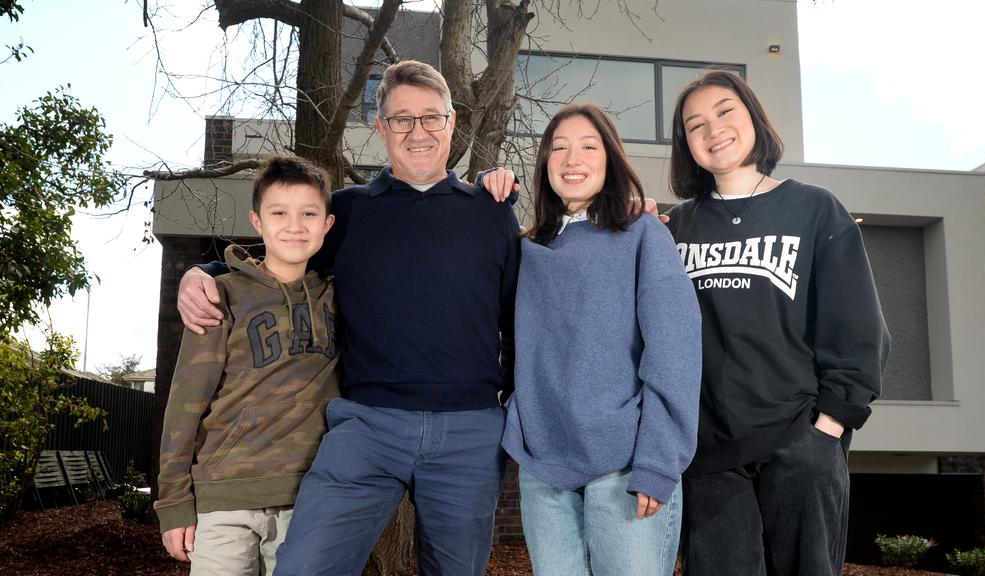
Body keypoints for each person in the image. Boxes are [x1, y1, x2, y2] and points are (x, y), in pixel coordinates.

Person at [175, 60, 520, 576]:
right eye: (402, 119)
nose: (418, 131)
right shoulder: (348, 212)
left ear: (453, 124)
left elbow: (520, 319)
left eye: (432, 117)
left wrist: (513, 408)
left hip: (468, 431)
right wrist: (200, 272)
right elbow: (278, 257)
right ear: (381, 128)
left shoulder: (490, 212)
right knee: (305, 567)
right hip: (367, 427)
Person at [663, 70, 892, 575]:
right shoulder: (675, 226)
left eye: (725, 111)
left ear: (752, 117)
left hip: (800, 443)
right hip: (709, 455)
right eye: (694, 124)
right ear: (686, 144)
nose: (712, 129)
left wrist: (827, 427)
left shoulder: (815, 210)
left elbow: (859, 328)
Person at [500, 103, 702, 576]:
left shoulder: (643, 234)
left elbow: (675, 352)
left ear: (610, 159)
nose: (573, 159)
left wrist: (659, 460)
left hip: (626, 463)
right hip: (543, 464)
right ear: (545, 164)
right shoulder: (527, 249)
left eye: (589, 147)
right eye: (560, 148)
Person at [154, 155, 339, 575]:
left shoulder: (337, 298)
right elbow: (184, 406)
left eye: (309, 213)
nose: (295, 225)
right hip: (223, 498)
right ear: (257, 221)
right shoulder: (220, 295)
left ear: (327, 224)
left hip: (308, 499)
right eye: (279, 213)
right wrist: (173, 501)